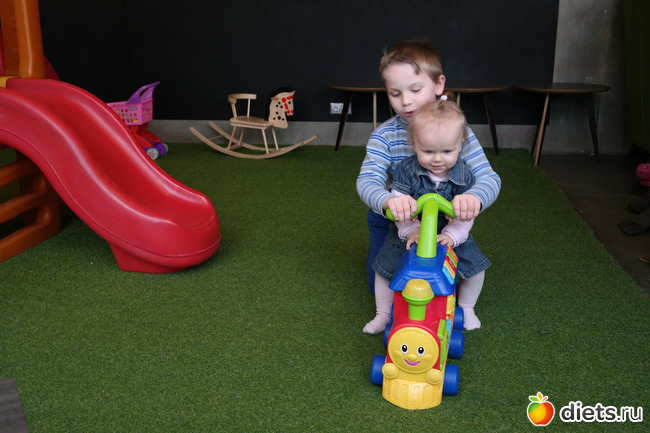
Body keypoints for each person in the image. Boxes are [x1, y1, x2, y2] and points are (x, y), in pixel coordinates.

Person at [356, 39, 501, 330]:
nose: (405, 101)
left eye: (415, 90)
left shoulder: (457, 130)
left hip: (445, 220)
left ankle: (461, 305)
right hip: (395, 218)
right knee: (381, 282)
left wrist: (475, 197)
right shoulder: (384, 136)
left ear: (438, 84)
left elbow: (489, 177)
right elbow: (367, 180)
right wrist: (387, 201)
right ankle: (385, 313)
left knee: (443, 281)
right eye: (395, 93)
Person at [363, 98, 491, 334]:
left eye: (447, 151)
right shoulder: (406, 170)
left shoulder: (465, 175)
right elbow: (400, 209)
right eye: (428, 151)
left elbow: (466, 216)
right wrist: (411, 230)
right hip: (411, 229)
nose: (437, 159)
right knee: (383, 269)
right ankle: (383, 314)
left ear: (461, 145)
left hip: (451, 232)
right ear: (414, 143)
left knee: (477, 268)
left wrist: (453, 235)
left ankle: (466, 307)